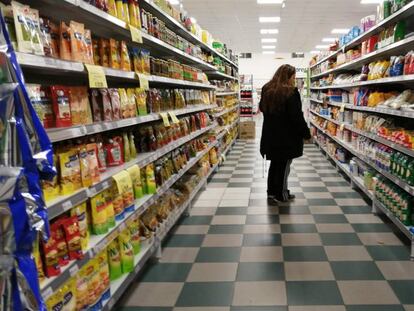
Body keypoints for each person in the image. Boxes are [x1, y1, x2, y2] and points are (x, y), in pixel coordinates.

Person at [259, 64, 311, 205]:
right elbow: (296, 117)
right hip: (286, 138)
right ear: (288, 77)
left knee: (275, 165)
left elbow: (261, 108)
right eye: (293, 77)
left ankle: (271, 193)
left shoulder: (267, 89)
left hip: (270, 135)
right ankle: (281, 194)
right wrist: (306, 134)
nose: (294, 80)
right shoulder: (291, 92)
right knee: (283, 166)